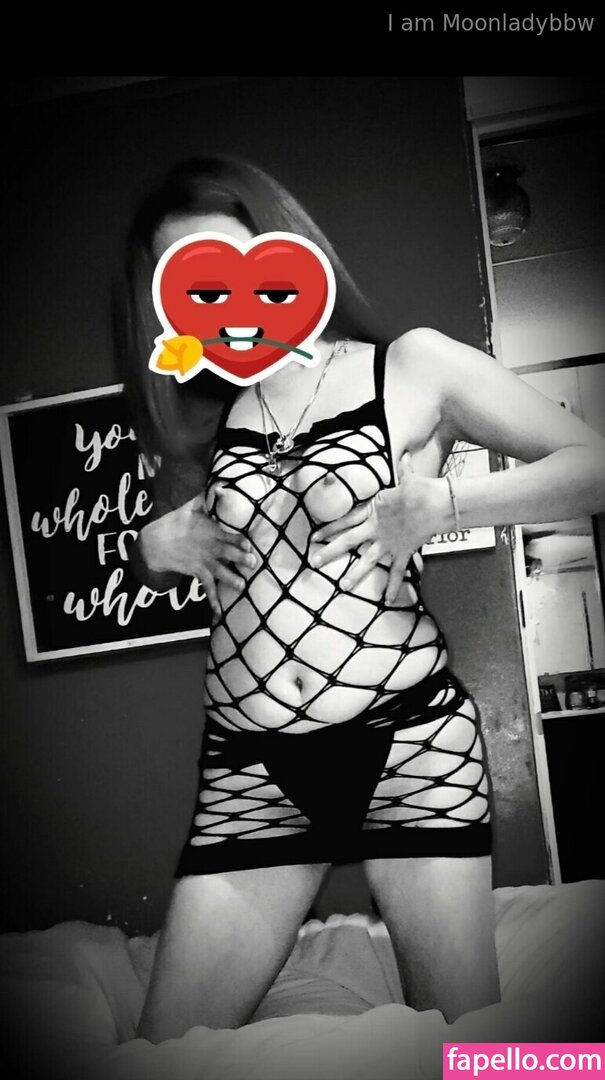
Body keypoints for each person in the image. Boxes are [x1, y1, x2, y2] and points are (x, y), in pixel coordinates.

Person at [119, 156, 605, 1042]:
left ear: (283, 250)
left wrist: (445, 504)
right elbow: (178, 556)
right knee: (160, 1056)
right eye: (189, 283)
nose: (225, 303)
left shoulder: (407, 366)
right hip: (248, 774)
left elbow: (594, 466)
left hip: (409, 748)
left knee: (474, 1051)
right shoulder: (197, 412)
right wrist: (148, 548)